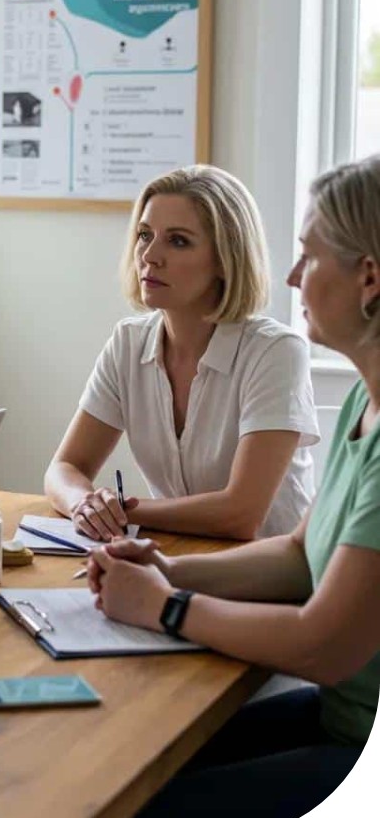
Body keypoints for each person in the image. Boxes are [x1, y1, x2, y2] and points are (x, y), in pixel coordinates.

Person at [86, 155, 380, 818]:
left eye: (308, 257)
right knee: (128, 762)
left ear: (369, 276)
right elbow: (297, 554)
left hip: (357, 741)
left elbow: (324, 645)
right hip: (339, 713)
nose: (290, 277)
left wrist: (165, 605)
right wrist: (167, 568)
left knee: (133, 815)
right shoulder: (359, 409)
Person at [44, 164, 318, 541]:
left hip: (271, 579)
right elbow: (65, 467)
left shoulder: (276, 352)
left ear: (225, 259)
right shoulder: (128, 342)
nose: (150, 256)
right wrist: (84, 504)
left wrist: (122, 511)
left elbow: (241, 514)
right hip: (176, 557)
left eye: (178, 241)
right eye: (144, 235)